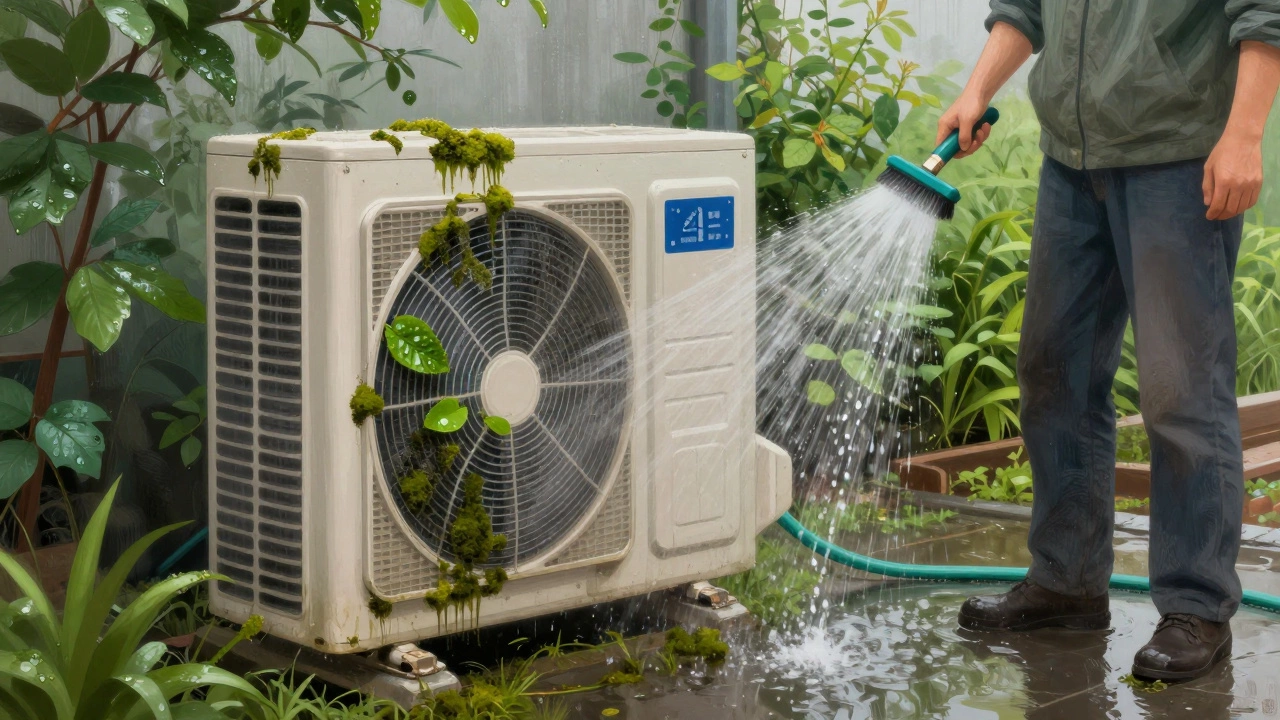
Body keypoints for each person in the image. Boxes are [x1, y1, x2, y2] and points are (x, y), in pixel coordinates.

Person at [940, 0, 1280, 682]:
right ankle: (1066, 581)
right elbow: (1027, 7)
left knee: (1181, 391)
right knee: (1052, 371)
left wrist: (1244, 134)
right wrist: (977, 89)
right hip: (1071, 161)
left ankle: (1197, 607)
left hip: (1177, 159)